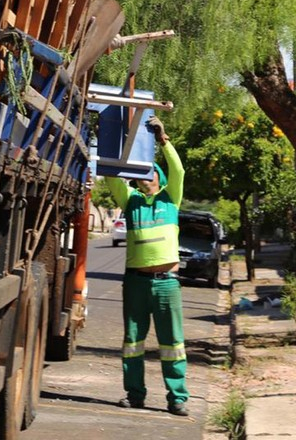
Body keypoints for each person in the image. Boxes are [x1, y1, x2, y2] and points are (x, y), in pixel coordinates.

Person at [105, 115, 190, 416]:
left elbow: (178, 170)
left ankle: (177, 397)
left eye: (151, 171)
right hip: (137, 282)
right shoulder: (131, 202)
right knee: (133, 342)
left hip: (167, 283)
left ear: (159, 179)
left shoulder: (171, 200)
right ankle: (135, 393)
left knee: (172, 343)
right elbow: (112, 178)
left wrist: (162, 139)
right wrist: (118, 145)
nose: (146, 174)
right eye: (141, 171)